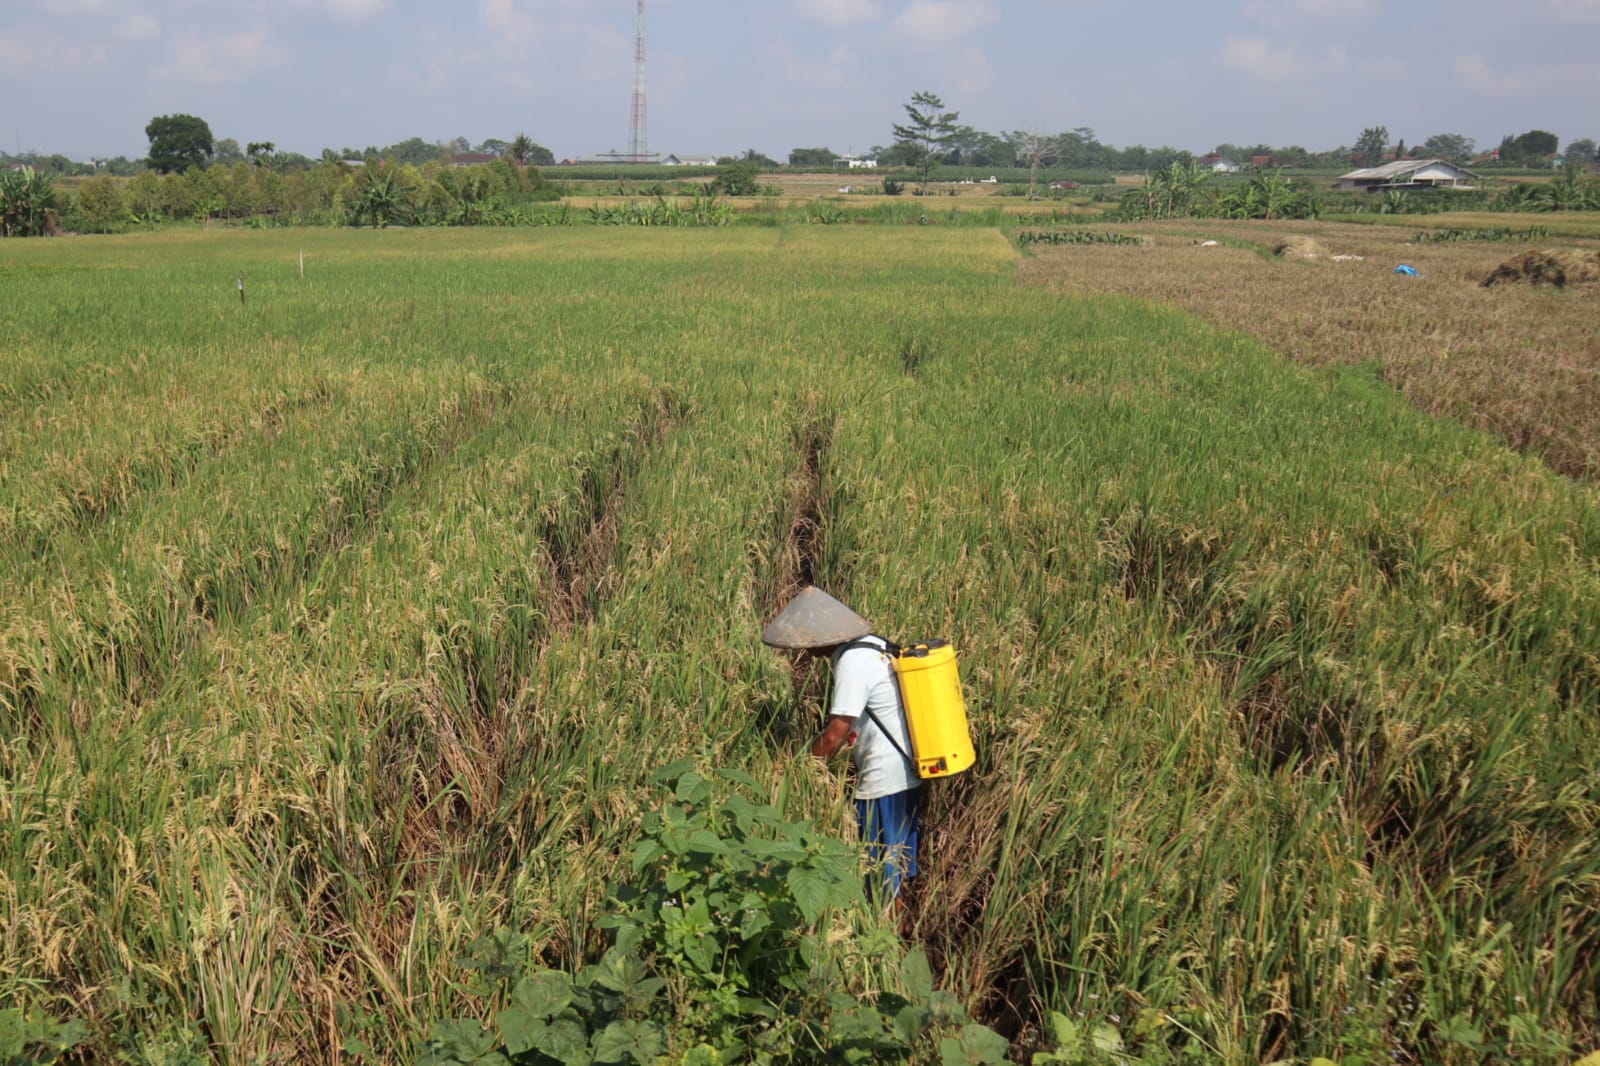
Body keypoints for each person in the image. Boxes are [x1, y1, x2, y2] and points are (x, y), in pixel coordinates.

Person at [762, 587, 923, 909]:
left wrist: (801, 770)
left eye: (809, 642)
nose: (805, 651)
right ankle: (898, 930)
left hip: (884, 777)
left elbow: (836, 733)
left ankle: (885, 939)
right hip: (908, 766)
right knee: (897, 861)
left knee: (880, 867)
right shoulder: (875, 644)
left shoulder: (852, 662)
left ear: (825, 637)